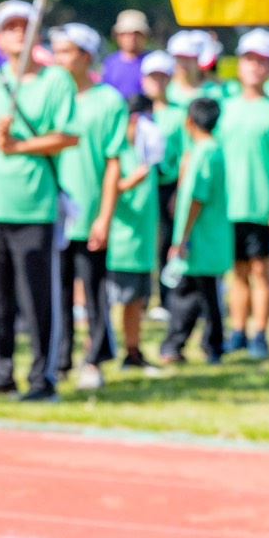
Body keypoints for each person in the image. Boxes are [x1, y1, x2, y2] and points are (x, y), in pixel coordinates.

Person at [0, 0, 77, 401]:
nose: (17, 33)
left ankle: (42, 377)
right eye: (9, 27)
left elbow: (68, 135)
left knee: (38, 297)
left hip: (35, 205)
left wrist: (21, 145)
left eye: (24, 26)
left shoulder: (56, 82)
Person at [51, 23, 127, 391]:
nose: (59, 59)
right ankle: (60, 357)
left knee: (94, 287)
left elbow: (115, 161)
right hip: (51, 213)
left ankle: (94, 357)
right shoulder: (51, 97)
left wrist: (105, 216)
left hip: (91, 211)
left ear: (85, 56)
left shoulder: (109, 101)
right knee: (57, 288)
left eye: (66, 52)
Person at [218, 30, 269, 360]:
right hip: (230, 205)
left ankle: (260, 332)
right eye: (249, 60)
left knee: (262, 271)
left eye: (262, 61)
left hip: (263, 204)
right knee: (238, 273)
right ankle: (238, 331)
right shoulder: (226, 107)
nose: (255, 67)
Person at [161, 97, 231, 364]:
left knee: (201, 295)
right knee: (193, 293)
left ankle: (210, 345)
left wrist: (183, 237)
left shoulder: (205, 152)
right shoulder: (211, 150)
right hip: (209, 237)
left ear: (189, 122)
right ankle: (179, 344)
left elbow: (197, 199)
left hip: (202, 238)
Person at [107, 94, 161, 370]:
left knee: (138, 302)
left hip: (142, 243)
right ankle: (112, 351)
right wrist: (129, 183)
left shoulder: (144, 149)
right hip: (120, 243)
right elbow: (107, 192)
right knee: (122, 301)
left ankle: (134, 351)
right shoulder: (115, 153)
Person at [139, 49, 184, 319]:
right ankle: (141, 298)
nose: (156, 82)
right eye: (152, 77)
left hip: (169, 185)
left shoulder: (180, 114)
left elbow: (185, 155)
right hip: (141, 186)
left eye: (162, 77)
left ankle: (166, 299)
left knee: (167, 241)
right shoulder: (137, 111)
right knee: (143, 242)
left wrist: (179, 190)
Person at [100, 9, 150, 100]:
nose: (132, 38)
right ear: (118, 37)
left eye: (136, 33)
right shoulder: (110, 63)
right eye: (126, 34)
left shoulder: (153, 62)